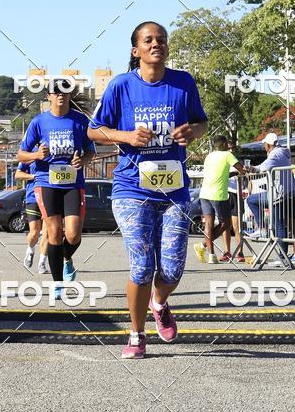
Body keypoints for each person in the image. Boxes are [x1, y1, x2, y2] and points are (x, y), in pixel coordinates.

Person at [88, 21, 208, 359]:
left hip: (174, 190)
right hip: (131, 187)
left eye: (162, 39)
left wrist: (192, 133)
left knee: (171, 269)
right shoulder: (121, 86)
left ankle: (159, 302)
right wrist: (127, 137)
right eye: (149, 40)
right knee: (141, 266)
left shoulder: (183, 82)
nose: (157, 44)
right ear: (135, 49)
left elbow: (202, 122)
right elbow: (94, 132)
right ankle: (136, 335)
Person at [18, 80, 96, 297]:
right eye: (56, 92)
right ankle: (57, 284)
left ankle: (66, 258)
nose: (61, 95)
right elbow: (21, 155)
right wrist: (36, 155)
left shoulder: (80, 121)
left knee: (72, 236)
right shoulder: (39, 122)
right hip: (46, 182)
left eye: (65, 92)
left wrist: (84, 161)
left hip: (73, 183)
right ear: (48, 96)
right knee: (53, 232)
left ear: (69, 96)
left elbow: (91, 151)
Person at [195, 135, 246, 264]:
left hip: (204, 193)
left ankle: (211, 255)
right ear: (223, 144)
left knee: (209, 223)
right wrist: (244, 171)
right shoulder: (227, 155)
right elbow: (241, 168)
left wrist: (234, 173)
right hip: (218, 195)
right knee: (226, 224)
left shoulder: (209, 156)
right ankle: (202, 245)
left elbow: (220, 173)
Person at [258, 132, 295, 267]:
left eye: (265, 144)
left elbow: (263, 168)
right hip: (291, 193)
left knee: (279, 225)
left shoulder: (275, 154)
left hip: (280, 195)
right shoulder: (284, 152)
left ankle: (281, 255)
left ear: (268, 144)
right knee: (292, 225)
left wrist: (250, 168)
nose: (264, 146)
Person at [16, 160, 49, 274]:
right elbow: (18, 174)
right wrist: (35, 177)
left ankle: (42, 263)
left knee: (47, 233)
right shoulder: (30, 152)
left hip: (50, 197)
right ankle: (30, 250)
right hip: (33, 197)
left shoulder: (55, 150)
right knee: (34, 232)